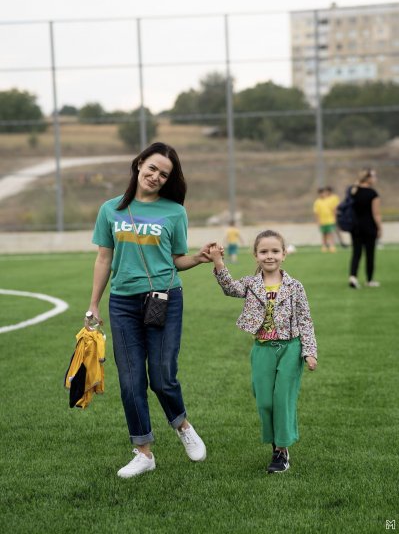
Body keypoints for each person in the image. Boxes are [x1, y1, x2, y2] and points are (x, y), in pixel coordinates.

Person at [87, 142, 214, 478]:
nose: (156, 176)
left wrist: (198, 259)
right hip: (123, 302)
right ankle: (143, 452)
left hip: (164, 298)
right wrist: (94, 304)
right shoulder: (110, 209)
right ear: (140, 163)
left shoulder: (174, 212)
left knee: (161, 376)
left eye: (164, 174)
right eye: (153, 168)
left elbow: (176, 260)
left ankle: (183, 425)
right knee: (130, 381)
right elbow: (104, 258)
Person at [207, 229, 317, 473]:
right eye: (264, 251)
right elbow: (229, 288)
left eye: (275, 251)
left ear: (284, 254)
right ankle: (275, 444)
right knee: (265, 401)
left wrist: (309, 351)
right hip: (263, 349)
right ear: (255, 255)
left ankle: (281, 450)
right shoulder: (251, 284)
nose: (270, 256)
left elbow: (305, 319)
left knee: (282, 400)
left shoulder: (295, 286)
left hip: (290, 348)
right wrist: (218, 261)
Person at [348, 168, 382, 289]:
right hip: (369, 226)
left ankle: (352, 277)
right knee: (369, 254)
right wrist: (380, 228)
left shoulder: (353, 191)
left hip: (355, 227)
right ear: (368, 178)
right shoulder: (372, 193)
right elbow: (376, 213)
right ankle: (369, 279)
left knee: (356, 253)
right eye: (374, 176)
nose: (375, 178)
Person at [312, 187, 336, 252]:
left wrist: (334, 218)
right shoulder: (317, 202)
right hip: (322, 221)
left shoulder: (329, 200)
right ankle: (324, 246)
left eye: (323, 193)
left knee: (330, 234)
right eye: (321, 193)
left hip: (330, 220)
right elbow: (316, 213)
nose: (322, 194)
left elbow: (333, 210)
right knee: (324, 234)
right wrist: (318, 221)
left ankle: (331, 246)